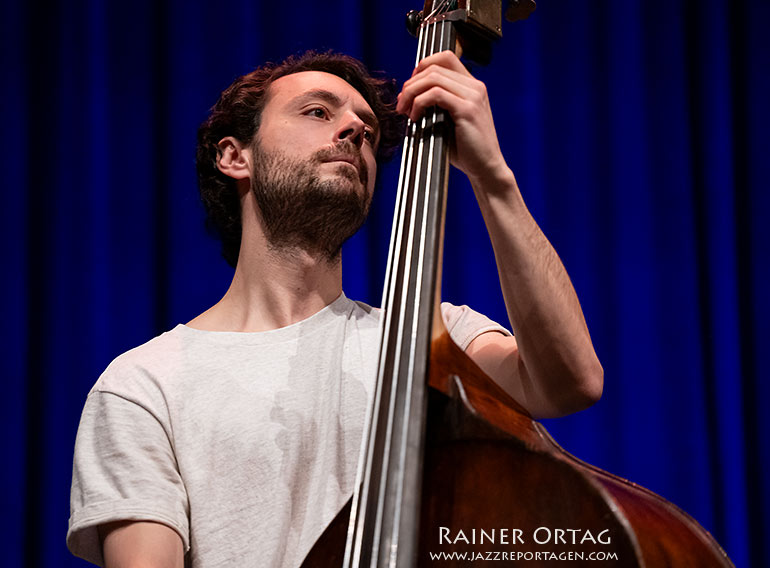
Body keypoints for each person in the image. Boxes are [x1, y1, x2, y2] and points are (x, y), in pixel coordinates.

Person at [67, 50, 603, 567]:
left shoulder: (431, 338)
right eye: (318, 112)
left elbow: (568, 383)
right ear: (235, 156)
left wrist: (494, 178)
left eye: (368, 131)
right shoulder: (143, 386)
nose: (353, 131)